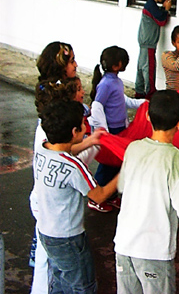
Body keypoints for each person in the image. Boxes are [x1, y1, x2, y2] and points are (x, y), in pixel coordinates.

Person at [114, 90, 179, 294]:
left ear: (147, 116)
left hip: (123, 245)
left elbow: (122, 187)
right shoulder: (178, 161)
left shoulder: (133, 149)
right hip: (153, 250)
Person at [34, 100, 118, 294]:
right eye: (83, 125)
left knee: (60, 281)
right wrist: (126, 171)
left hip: (47, 232)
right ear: (74, 132)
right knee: (83, 287)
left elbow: (66, 150)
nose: (85, 128)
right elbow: (99, 196)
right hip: (69, 238)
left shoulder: (42, 148)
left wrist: (91, 140)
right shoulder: (74, 167)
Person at [88, 46, 145, 212]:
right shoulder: (106, 84)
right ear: (117, 65)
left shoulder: (115, 81)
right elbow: (97, 106)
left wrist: (142, 103)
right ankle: (96, 196)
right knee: (108, 165)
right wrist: (103, 130)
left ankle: (110, 195)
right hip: (112, 131)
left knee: (116, 163)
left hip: (119, 129)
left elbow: (122, 100)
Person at [135, 0, 172, 98]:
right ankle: (150, 94)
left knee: (141, 68)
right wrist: (166, 9)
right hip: (148, 44)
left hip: (143, 43)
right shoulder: (152, 6)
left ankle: (139, 91)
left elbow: (157, 14)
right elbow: (161, 20)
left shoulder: (150, 5)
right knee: (149, 69)